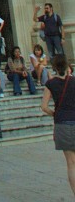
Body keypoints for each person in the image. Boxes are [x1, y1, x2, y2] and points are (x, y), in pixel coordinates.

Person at [41, 54, 75, 197]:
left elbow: (44, 107)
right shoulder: (74, 81)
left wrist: (54, 113)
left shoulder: (51, 83)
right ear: (67, 66)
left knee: (71, 163)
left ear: (54, 67)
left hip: (62, 123)